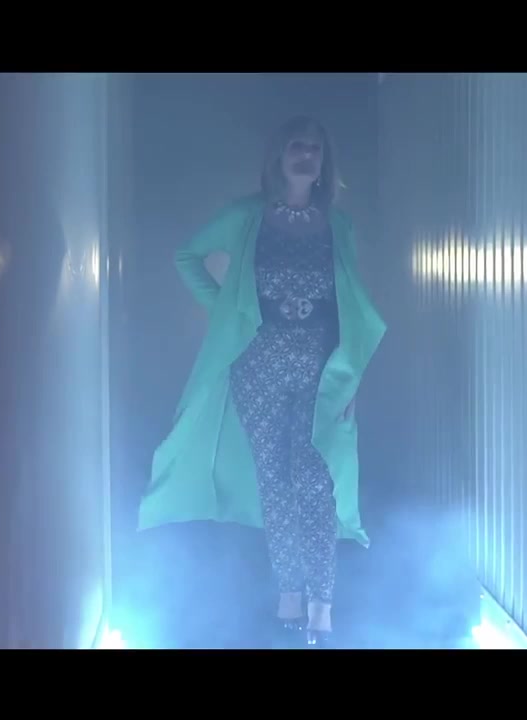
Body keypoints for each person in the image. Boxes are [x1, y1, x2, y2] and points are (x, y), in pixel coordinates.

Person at [138, 116, 387, 648]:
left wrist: (354, 376)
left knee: (314, 481)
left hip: (320, 366)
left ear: (324, 161)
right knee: (275, 480)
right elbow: (187, 256)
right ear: (278, 156)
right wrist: (227, 312)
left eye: (314, 148)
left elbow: (350, 305)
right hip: (258, 363)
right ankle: (289, 594)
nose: (306, 155)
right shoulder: (245, 216)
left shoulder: (337, 225)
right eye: (297, 146)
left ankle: (322, 605)